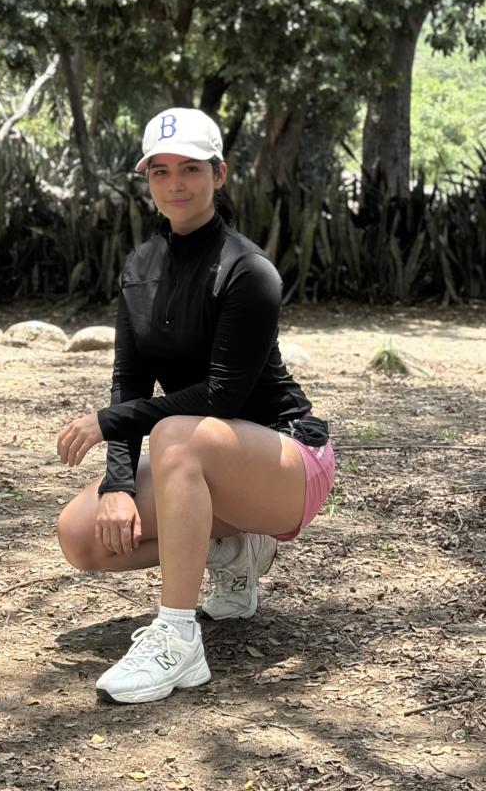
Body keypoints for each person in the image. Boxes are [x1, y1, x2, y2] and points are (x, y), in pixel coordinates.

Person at [55, 107, 335, 705]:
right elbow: (130, 383)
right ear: (147, 179)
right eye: (160, 171)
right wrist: (118, 484)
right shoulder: (140, 267)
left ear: (219, 174)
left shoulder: (249, 270)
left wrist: (106, 425)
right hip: (203, 461)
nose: (175, 184)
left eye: (190, 168)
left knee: (177, 434)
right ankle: (232, 550)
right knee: (82, 536)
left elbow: (223, 395)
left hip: (288, 460)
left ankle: (178, 638)